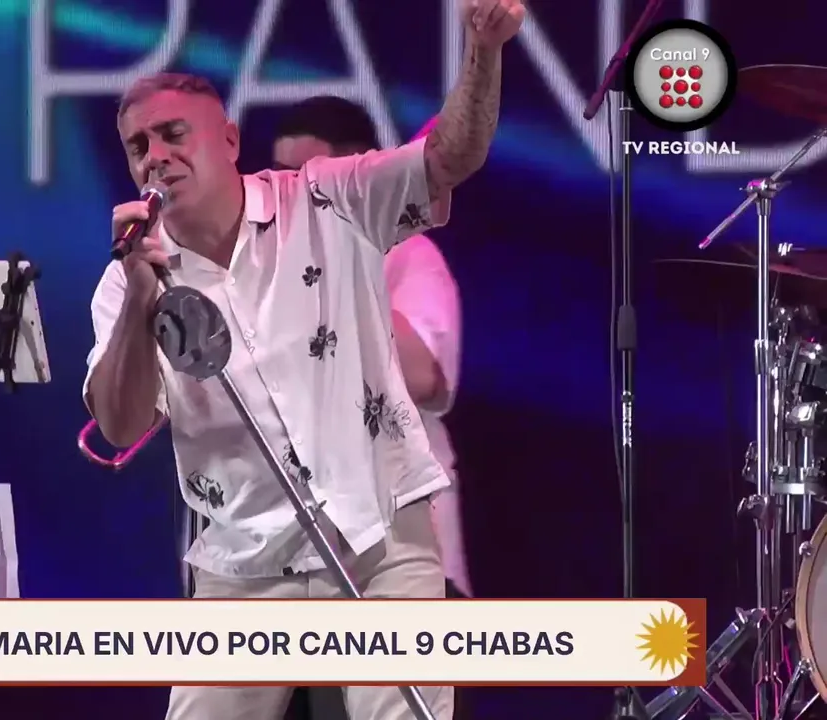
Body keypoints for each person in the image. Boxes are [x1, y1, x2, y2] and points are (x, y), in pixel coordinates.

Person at [82, 1, 523, 717]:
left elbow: (451, 156)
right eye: (138, 146)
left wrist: (484, 49)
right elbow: (120, 425)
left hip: (379, 531)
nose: (154, 155)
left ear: (229, 140)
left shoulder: (327, 200)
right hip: (245, 560)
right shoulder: (125, 281)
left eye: (172, 134)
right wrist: (139, 299)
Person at [273, 99, 469, 720]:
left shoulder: (409, 256)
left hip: (400, 554)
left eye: (307, 176)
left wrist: (336, 267)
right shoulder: (263, 265)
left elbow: (426, 376)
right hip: (294, 562)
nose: (289, 193)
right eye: (281, 176)